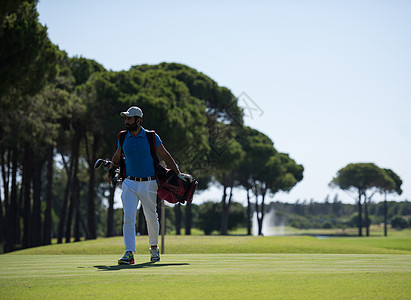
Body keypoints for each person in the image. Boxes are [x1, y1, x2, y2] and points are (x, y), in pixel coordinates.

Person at [109, 106, 191, 264]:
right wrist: (112, 168)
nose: (126, 121)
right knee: (128, 218)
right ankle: (129, 253)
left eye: (129, 118)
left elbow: (165, 154)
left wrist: (178, 173)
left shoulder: (151, 136)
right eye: (125, 118)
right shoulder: (122, 136)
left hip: (149, 183)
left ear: (138, 120)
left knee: (151, 218)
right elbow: (117, 155)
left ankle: (154, 248)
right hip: (129, 183)